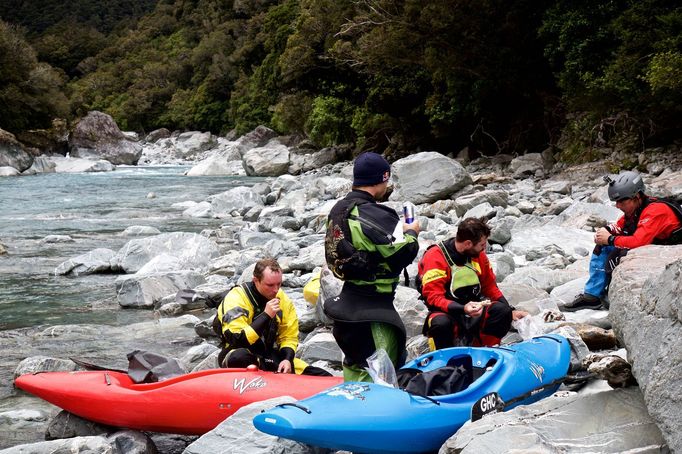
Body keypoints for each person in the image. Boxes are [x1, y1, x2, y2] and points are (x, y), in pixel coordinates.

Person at [324, 152, 420, 382]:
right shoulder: (375, 214)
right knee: (381, 372)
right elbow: (402, 253)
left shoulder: (338, 209)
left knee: (355, 365)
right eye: (386, 180)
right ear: (381, 179)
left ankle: (349, 407)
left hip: (347, 302)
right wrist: (413, 233)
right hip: (374, 308)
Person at [565, 170, 682, 311]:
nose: (617, 206)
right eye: (616, 201)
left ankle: (615, 292)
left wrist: (610, 239)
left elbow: (639, 241)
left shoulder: (656, 211)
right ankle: (592, 296)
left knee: (617, 252)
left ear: (637, 196)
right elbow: (620, 226)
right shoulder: (636, 209)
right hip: (656, 246)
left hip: (671, 251)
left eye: (622, 201)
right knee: (602, 247)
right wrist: (607, 231)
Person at [417, 217, 527, 349]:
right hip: (446, 311)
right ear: (468, 244)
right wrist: (462, 308)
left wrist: (511, 311)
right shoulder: (435, 257)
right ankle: (445, 359)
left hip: (474, 309)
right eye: (482, 244)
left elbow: (489, 287)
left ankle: (484, 349)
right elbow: (433, 297)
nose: (484, 248)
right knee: (440, 324)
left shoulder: (478, 255)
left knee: (502, 311)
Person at [216, 258, 330, 376]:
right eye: (270, 285)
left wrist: (287, 359)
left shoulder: (283, 299)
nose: (276, 290)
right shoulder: (236, 298)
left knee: (323, 375)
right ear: (256, 280)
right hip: (237, 353)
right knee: (240, 357)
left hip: (267, 355)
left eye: (279, 284)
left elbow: (289, 337)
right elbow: (237, 339)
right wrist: (265, 316)